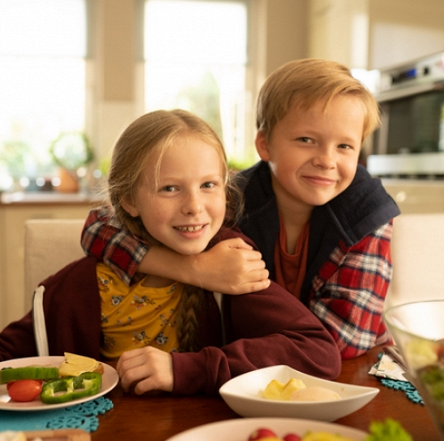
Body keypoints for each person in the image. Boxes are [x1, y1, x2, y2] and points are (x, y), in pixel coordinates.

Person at [0, 109, 340, 396]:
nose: (194, 205)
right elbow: (3, 357)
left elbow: (317, 352)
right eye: (170, 188)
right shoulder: (79, 285)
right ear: (129, 200)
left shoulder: (231, 267)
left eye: (208, 185)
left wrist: (186, 369)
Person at [81, 59, 401, 359]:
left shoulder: (366, 212)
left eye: (344, 146)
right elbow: (99, 228)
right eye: (306, 139)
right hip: (254, 372)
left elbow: (342, 341)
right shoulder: (235, 195)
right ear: (264, 144)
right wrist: (194, 269)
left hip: (351, 371)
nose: (327, 160)